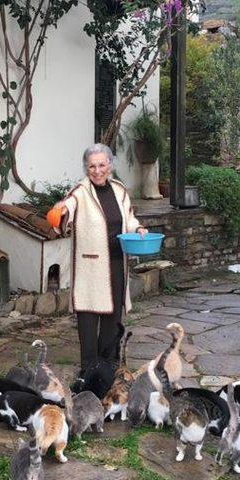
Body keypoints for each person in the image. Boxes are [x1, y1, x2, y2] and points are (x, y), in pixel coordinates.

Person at [53, 143, 148, 383]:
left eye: (102, 165)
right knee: (88, 318)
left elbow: (128, 219)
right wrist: (61, 211)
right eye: (92, 166)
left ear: (110, 165)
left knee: (113, 317)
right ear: (86, 168)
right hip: (90, 267)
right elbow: (66, 210)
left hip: (117, 261)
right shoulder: (80, 192)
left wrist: (138, 229)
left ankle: (108, 369)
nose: (97, 171)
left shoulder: (119, 189)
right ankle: (88, 372)